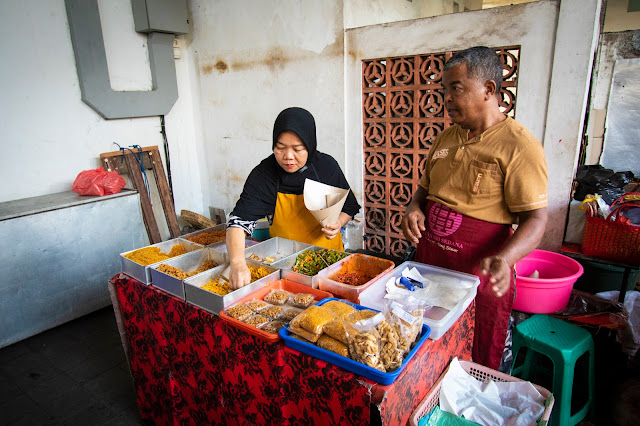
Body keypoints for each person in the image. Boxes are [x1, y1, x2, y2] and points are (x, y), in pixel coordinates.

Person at [400, 46, 548, 371]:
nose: (447, 99)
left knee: (477, 353)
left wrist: (506, 260)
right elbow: (423, 191)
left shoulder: (520, 146)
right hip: (431, 263)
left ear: (488, 90)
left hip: (479, 271)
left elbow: (536, 218)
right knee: (425, 344)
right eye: (445, 90)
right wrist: (413, 208)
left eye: (456, 88)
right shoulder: (446, 138)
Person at [226, 107, 361, 289]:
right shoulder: (265, 174)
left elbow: (349, 206)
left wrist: (338, 223)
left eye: (297, 149)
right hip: (284, 263)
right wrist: (237, 264)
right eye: (280, 148)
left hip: (329, 262)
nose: (288, 156)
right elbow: (238, 222)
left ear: (310, 145)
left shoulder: (326, 168)